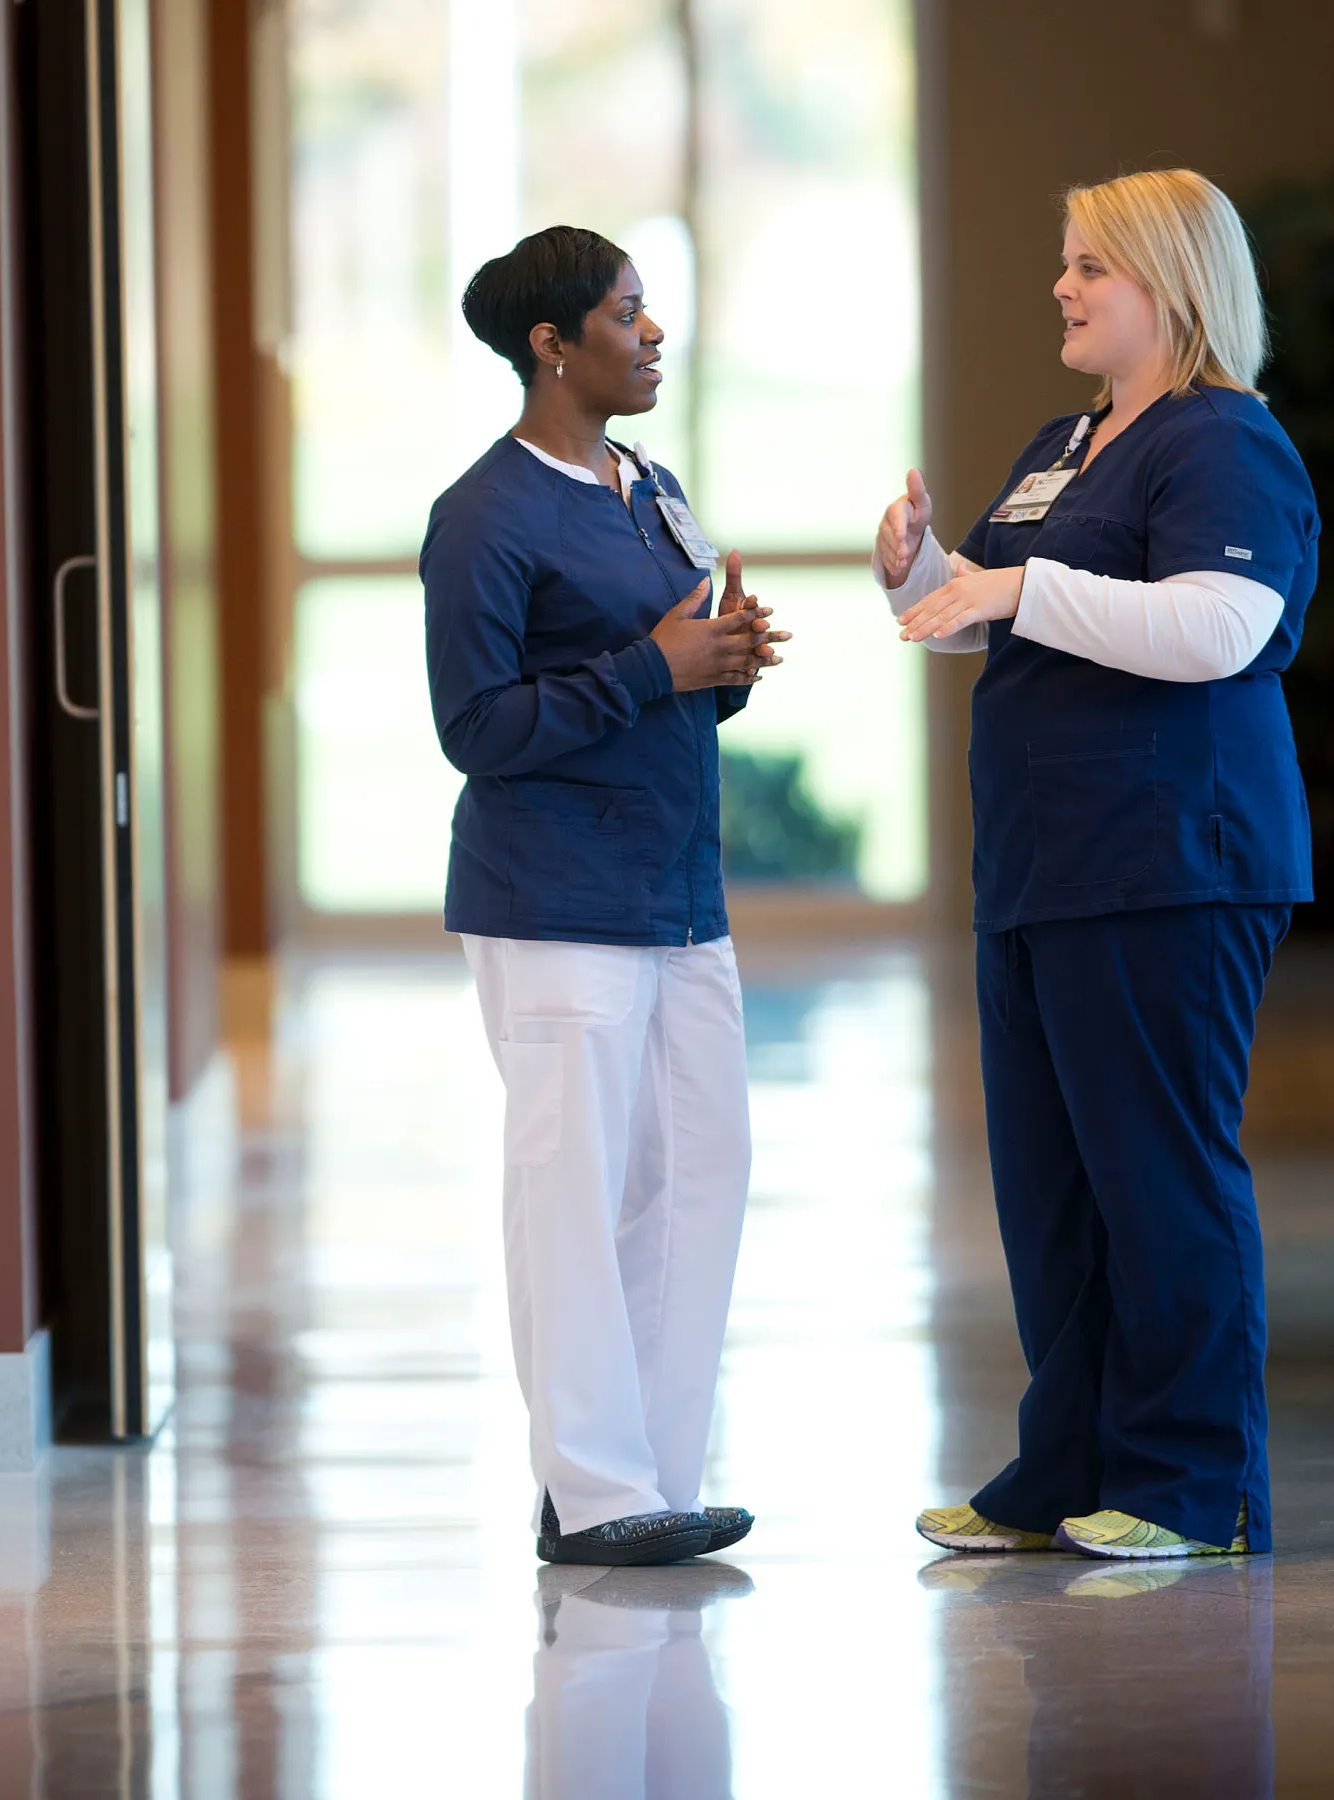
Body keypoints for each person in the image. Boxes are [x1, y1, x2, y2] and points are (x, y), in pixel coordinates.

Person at [880, 169, 1320, 1559]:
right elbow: (1008, 621)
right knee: (1053, 1185)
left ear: (1173, 286)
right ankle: (1064, 1470)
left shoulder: (1222, 443)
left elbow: (1218, 628)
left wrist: (1016, 587)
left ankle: (1194, 1487)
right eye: (1064, 262)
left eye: (1091, 268)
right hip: (1044, 867)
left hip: (1167, 864)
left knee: (1157, 1174)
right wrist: (924, 574)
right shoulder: (1073, 437)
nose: (1062, 288)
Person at [424, 224, 784, 1567]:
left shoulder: (652, 486)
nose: (652, 336)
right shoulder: (484, 516)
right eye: (629, 315)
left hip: (680, 892)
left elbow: (680, 663)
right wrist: (653, 668)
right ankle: (591, 1486)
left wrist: (724, 660)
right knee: (572, 1185)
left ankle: (647, 1476)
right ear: (552, 343)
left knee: (701, 1171)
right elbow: (476, 725)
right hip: (554, 898)